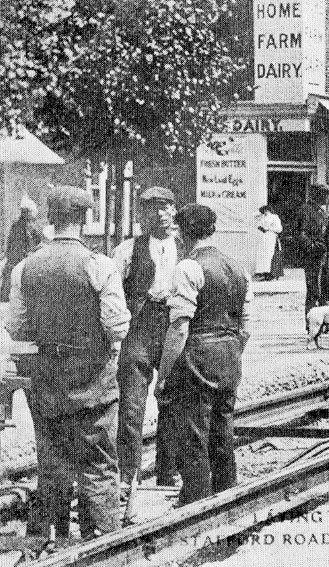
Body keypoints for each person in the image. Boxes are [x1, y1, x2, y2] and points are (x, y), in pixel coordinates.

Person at [6, 186, 131, 540]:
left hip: (46, 380)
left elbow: (16, 325)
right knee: (98, 464)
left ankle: (51, 538)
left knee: (53, 462)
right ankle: (104, 542)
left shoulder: (24, 267)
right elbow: (116, 323)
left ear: (50, 218)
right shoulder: (100, 265)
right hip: (93, 379)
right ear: (84, 217)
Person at [156, 204, 251, 505]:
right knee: (223, 429)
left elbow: (179, 328)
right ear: (212, 230)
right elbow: (246, 325)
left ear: (183, 233)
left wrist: (165, 372)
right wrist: (232, 353)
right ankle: (226, 493)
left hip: (197, 356)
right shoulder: (239, 267)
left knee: (193, 432)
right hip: (230, 355)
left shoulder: (187, 268)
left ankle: (195, 500)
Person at [111, 186, 182, 491]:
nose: (160, 214)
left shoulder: (186, 248)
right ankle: (129, 474)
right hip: (139, 328)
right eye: (152, 208)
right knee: (131, 406)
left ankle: (169, 471)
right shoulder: (127, 250)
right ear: (141, 215)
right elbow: (112, 291)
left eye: (165, 207)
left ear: (174, 211)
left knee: (174, 401)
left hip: (174, 327)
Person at [1, 195, 42, 302]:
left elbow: (39, 242)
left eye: (33, 219)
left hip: (27, 265)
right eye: (31, 218)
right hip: (16, 266)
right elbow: (15, 252)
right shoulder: (17, 228)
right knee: (11, 299)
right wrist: (29, 254)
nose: (32, 222)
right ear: (25, 214)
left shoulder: (33, 229)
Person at [298, 184, 329, 314]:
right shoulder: (306, 210)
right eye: (327, 196)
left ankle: (323, 321)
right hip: (313, 257)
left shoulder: (321, 211)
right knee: (314, 290)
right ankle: (311, 323)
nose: (328, 199)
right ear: (319, 195)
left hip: (323, 255)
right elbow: (302, 234)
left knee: (326, 289)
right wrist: (313, 248)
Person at [254, 205, 282, 281]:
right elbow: (255, 219)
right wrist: (260, 227)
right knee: (262, 255)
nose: (266, 212)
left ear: (270, 210)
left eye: (267, 210)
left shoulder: (274, 217)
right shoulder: (262, 217)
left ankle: (271, 273)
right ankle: (263, 272)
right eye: (264, 210)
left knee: (270, 254)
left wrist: (269, 228)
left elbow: (279, 229)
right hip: (263, 238)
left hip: (271, 237)